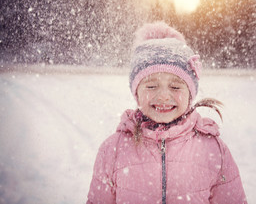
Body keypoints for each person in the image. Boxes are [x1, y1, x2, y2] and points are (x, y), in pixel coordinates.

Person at [86, 22, 247, 204]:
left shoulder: (213, 150)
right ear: (137, 93)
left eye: (175, 86)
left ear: (190, 94)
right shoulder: (113, 150)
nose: (163, 96)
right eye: (152, 86)